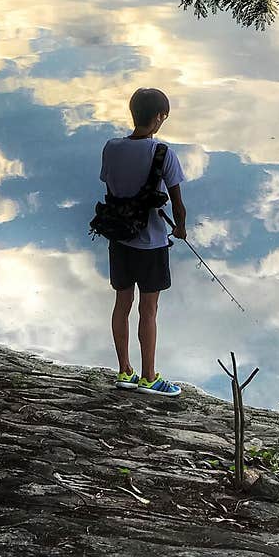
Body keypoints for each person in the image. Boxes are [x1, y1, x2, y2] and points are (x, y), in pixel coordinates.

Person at [100, 87, 187, 397]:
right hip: (151, 244)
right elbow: (177, 204)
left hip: (119, 241)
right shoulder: (162, 153)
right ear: (159, 118)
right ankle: (149, 377)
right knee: (148, 310)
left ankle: (124, 371)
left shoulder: (111, 147)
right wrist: (180, 228)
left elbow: (111, 186)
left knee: (122, 304)